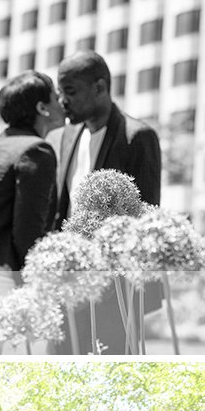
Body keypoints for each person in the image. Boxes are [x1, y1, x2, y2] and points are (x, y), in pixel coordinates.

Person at [52, 50, 163, 353]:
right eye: (60, 92)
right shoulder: (65, 137)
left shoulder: (138, 137)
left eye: (70, 92)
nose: (62, 101)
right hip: (67, 283)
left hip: (115, 291)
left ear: (99, 88)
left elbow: (145, 215)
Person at [0, 70, 65, 353]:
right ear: (42, 108)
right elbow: (29, 227)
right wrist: (31, 284)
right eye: (55, 97)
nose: (61, 102)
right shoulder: (36, 150)